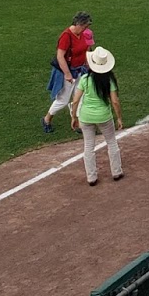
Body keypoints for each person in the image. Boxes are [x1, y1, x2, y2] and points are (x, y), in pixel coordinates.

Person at [71, 46, 124, 186]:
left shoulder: (85, 79)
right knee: (111, 142)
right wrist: (119, 118)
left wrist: (74, 116)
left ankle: (91, 177)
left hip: (86, 117)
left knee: (88, 146)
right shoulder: (110, 80)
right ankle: (116, 171)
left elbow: (75, 100)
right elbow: (115, 101)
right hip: (104, 116)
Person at [42, 12, 93, 133]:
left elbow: (85, 50)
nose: (87, 28)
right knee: (63, 100)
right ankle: (47, 119)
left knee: (80, 96)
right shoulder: (66, 36)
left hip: (80, 70)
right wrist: (67, 74)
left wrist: (88, 65)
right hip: (68, 72)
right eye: (85, 26)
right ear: (79, 24)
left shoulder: (82, 34)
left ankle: (78, 123)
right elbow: (60, 56)